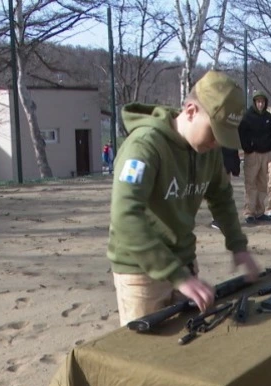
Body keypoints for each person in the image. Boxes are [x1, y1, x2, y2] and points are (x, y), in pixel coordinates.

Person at [108, 70, 260, 326]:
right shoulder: (145, 146)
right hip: (142, 272)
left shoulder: (207, 151)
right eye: (213, 133)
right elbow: (125, 216)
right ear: (190, 111)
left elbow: (221, 197)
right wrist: (176, 276)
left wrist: (238, 246)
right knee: (144, 358)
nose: (216, 143)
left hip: (185, 265)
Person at [238, 90, 271, 223]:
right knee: (250, 184)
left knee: (262, 184)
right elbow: (242, 134)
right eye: (258, 101)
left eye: (262, 102)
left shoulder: (268, 117)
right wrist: (249, 148)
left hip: (266, 154)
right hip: (252, 154)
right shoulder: (247, 116)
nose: (260, 104)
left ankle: (260, 211)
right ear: (254, 102)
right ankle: (249, 212)